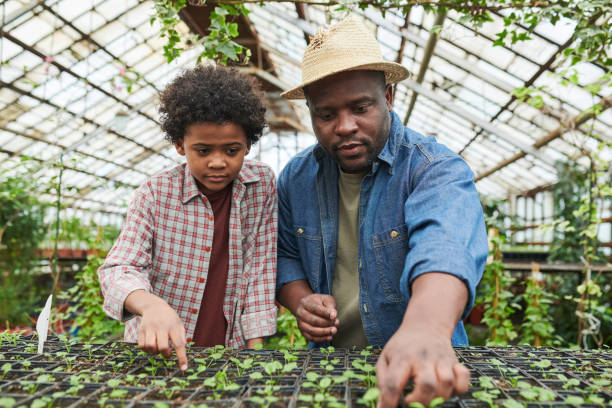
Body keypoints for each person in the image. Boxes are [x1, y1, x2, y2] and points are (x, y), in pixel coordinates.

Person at [276, 16, 488, 407]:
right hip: (329, 370)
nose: (344, 126)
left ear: (388, 97)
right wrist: (300, 299)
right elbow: (286, 253)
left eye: (361, 107)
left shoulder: (432, 169)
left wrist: (426, 328)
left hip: (420, 373)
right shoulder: (296, 177)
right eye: (325, 114)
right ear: (310, 111)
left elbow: (446, 245)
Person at [98, 65, 278, 371]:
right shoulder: (155, 194)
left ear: (248, 144)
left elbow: (260, 268)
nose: (218, 162)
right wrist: (150, 305)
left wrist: (254, 354)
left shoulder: (260, 186)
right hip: (159, 350)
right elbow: (119, 268)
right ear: (180, 145)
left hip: (228, 349)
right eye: (203, 150)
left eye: (232, 150)